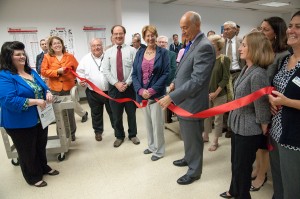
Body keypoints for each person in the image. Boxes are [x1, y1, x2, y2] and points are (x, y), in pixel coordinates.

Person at [158, 11, 215, 185]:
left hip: (193, 102)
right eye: (181, 27)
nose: (182, 31)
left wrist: (172, 97)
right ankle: (188, 158)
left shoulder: (204, 46)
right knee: (187, 136)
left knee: (193, 137)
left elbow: (197, 80)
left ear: (197, 25)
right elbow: (183, 68)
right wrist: (175, 82)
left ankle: (194, 170)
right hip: (184, 99)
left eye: (185, 27)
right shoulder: (191, 43)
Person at [220, 31, 273, 199]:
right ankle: (233, 191)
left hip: (249, 130)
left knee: (242, 169)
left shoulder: (258, 74)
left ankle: (241, 195)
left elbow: (262, 105)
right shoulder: (246, 68)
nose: (240, 48)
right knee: (236, 165)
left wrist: (263, 127)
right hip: (237, 126)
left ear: (255, 49)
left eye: (244, 45)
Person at [0, 41, 59, 187]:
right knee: (27, 150)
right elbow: (9, 100)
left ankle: (43, 167)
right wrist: (36, 101)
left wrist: (48, 92)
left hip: (40, 118)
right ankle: (33, 177)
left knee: (40, 145)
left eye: (23, 53)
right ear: (9, 57)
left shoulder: (30, 71)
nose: (22, 56)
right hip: (19, 122)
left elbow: (44, 86)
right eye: (17, 54)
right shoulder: (4, 76)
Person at [250, 16, 289, 193]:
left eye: (266, 29)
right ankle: (258, 168)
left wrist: (270, 100)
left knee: (265, 144)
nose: (262, 32)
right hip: (258, 101)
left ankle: (262, 175)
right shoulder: (262, 49)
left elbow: (280, 83)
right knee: (258, 141)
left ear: (277, 32)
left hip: (272, 103)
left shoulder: (283, 55)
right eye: (261, 28)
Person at [268, 11, 300, 199]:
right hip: (277, 132)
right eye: (290, 26)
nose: (291, 30)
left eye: (298, 27)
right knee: (279, 183)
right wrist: (272, 100)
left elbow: (286, 98)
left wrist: (285, 102)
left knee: (292, 189)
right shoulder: (285, 60)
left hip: (294, 137)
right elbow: (278, 88)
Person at [132, 25, 169, 161]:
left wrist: (152, 90)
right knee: (148, 123)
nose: (150, 38)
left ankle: (159, 151)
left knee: (157, 124)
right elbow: (135, 74)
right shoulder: (140, 53)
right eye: (148, 35)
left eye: (153, 35)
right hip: (142, 95)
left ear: (156, 36)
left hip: (157, 95)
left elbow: (165, 73)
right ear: (144, 37)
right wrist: (140, 90)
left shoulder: (163, 53)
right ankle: (152, 146)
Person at [102, 25, 140, 147]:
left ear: (124, 34)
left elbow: (136, 69)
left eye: (121, 33)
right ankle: (119, 136)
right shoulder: (108, 52)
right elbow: (106, 70)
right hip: (114, 89)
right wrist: (116, 83)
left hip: (129, 88)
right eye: (116, 34)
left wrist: (127, 83)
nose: (118, 36)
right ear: (112, 36)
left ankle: (133, 134)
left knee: (131, 114)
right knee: (116, 115)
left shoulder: (132, 51)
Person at [76, 38, 114, 142]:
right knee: (96, 113)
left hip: (109, 92)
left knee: (113, 112)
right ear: (90, 47)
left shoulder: (109, 56)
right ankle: (98, 132)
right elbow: (79, 72)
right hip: (93, 93)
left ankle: (117, 130)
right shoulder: (85, 59)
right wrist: (81, 81)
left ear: (102, 46)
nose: (96, 48)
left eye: (98, 45)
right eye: (94, 46)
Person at [41, 36, 78, 141]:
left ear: (62, 44)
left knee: (70, 112)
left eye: (59, 43)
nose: (57, 45)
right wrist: (57, 71)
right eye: (54, 43)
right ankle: (62, 134)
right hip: (55, 89)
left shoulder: (70, 56)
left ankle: (72, 133)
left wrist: (75, 77)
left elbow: (78, 69)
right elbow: (43, 72)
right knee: (58, 113)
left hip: (68, 88)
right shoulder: (47, 57)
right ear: (51, 46)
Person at [202, 34, 230, 151]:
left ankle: (216, 141)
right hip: (206, 94)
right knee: (206, 117)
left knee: (218, 119)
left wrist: (216, 93)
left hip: (220, 94)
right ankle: (206, 135)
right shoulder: (207, 59)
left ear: (218, 46)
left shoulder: (224, 59)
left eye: (212, 44)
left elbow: (225, 78)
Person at [222, 21, 245, 138]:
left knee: (234, 100)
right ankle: (225, 125)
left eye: (228, 29)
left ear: (235, 30)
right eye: (224, 29)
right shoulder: (222, 42)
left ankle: (232, 127)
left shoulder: (242, 41)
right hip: (225, 74)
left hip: (237, 73)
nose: (225, 31)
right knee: (225, 99)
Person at [156, 35, 176, 123]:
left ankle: (168, 119)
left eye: (163, 42)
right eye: (159, 42)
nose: (161, 44)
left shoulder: (172, 54)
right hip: (156, 84)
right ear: (156, 43)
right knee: (157, 103)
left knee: (168, 102)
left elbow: (173, 68)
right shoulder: (153, 54)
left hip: (168, 83)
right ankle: (159, 120)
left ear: (167, 44)